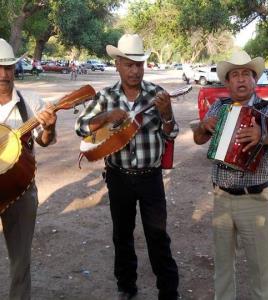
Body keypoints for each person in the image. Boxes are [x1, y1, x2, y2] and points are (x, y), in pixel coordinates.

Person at [75, 34, 179, 300]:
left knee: (158, 237)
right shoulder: (107, 96)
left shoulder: (157, 95)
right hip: (118, 176)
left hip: (150, 178)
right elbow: (80, 126)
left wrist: (166, 115)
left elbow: (171, 134)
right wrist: (106, 116)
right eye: (128, 64)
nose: (134, 70)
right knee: (122, 235)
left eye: (139, 64)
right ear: (118, 65)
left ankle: (168, 292)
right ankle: (126, 287)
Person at [193, 50, 268, 300]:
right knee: (223, 268)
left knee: (261, 270)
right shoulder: (219, 106)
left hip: (255, 200)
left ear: (254, 79)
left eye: (246, 74)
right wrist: (204, 126)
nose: (240, 80)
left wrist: (265, 137)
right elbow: (198, 139)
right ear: (227, 82)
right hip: (221, 198)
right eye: (234, 75)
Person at [0, 38, 57, 299]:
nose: (3, 74)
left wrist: (49, 126)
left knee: (20, 263)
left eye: (9, 68)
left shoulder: (32, 101)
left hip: (21, 192)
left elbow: (45, 142)